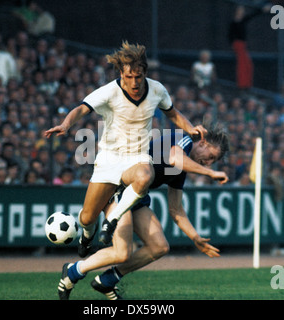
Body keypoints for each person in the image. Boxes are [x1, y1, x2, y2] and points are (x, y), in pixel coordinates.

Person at [45, 41, 206, 248]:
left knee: (145, 176)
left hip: (138, 156)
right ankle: (86, 234)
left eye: (138, 76)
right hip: (109, 158)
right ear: (121, 74)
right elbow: (81, 109)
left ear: (144, 73)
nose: (134, 82)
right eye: (129, 77)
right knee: (86, 217)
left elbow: (172, 112)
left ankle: (111, 221)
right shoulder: (109, 92)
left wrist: (190, 128)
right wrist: (66, 124)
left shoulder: (157, 90)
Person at [57, 124, 229, 300]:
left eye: (212, 162)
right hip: (117, 188)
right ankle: (73, 271)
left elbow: (176, 209)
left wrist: (195, 238)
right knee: (122, 252)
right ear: (202, 143)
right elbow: (175, 158)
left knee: (159, 246)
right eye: (210, 157)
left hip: (135, 196)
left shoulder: (182, 170)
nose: (208, 162)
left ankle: (107, 280)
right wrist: (210, 173)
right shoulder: (181, 139)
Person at [228, 4, 271, 90]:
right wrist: (232, 44)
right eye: (240, 11)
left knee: (248, 64)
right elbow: (230, 35)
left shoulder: (243, 20)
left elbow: (252, 15)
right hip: (238, 44)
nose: (241, 13)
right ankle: (242, 85)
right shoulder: (233, 22)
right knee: (242, 65)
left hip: (243, 44)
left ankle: (247, 84)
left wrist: (262, 10)